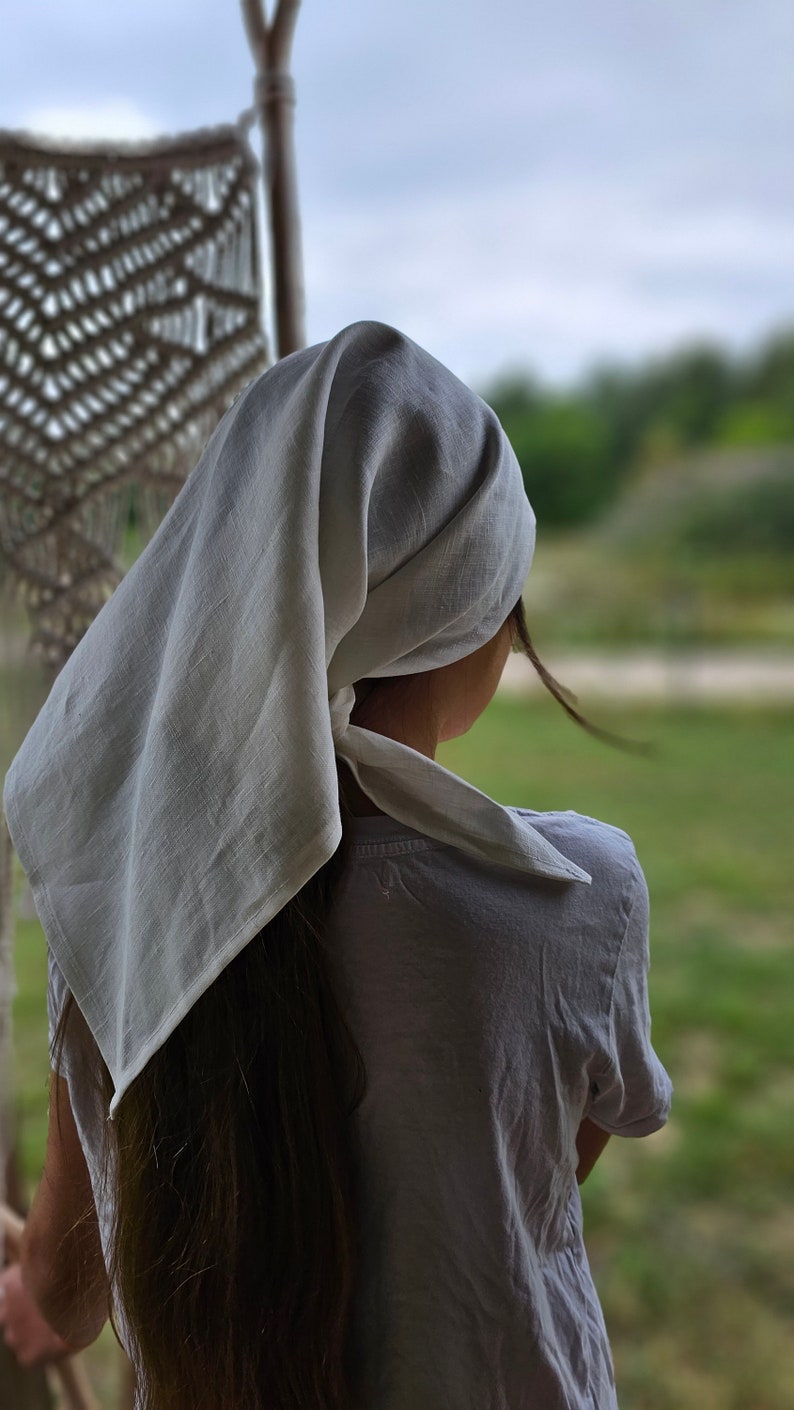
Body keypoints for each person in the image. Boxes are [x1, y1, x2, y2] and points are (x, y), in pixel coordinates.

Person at [3, 321, 671, 1410]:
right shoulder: (572, 896)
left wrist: (38, 1290)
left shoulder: (118, 893)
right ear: (462, 622)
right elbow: (530, 1173)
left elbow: (71, 1282)